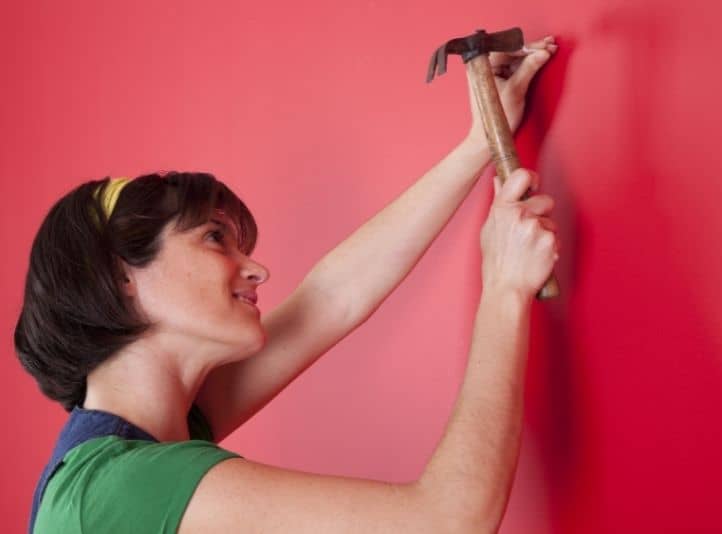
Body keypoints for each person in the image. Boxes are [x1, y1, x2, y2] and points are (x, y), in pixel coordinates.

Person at [16, 35, 559, 533]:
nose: (257, 270)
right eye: (213, 239)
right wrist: (505, 288)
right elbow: (447, 521)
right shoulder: (123, 486)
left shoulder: (130, 452)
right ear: (120, 276)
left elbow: (329, 299)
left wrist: (479, 142)